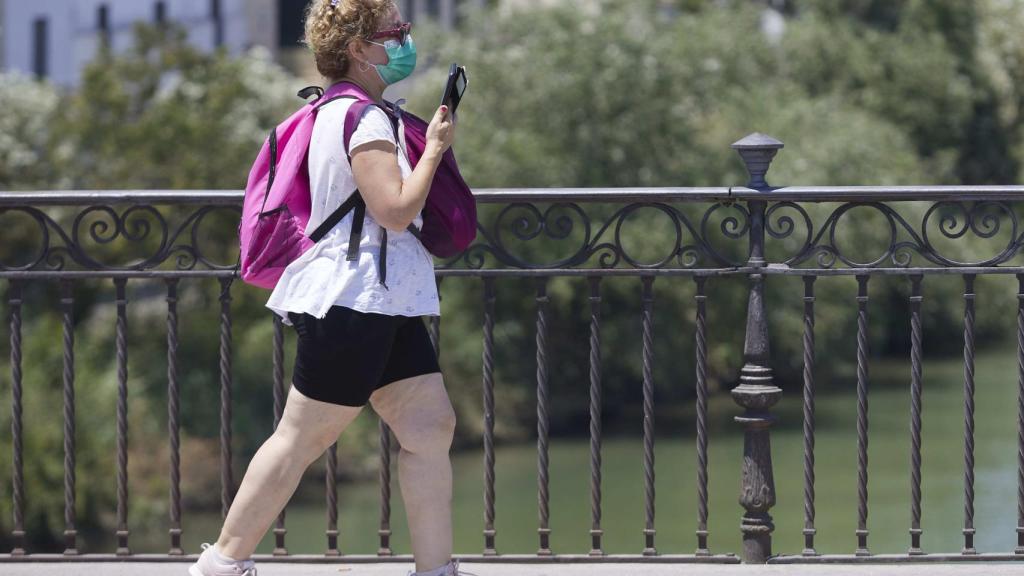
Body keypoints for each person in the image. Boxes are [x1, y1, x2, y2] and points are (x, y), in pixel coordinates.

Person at [189, 0, 458, 574]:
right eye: (394, 32)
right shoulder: (364, 119)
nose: (404, 40)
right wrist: (434, 148)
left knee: (429, 426)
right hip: (355, 300)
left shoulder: (338, 111)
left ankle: (437, 569)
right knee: (299, 439)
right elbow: (393, 210)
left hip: (380, 298)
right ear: (360, 50)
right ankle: (223, 563)